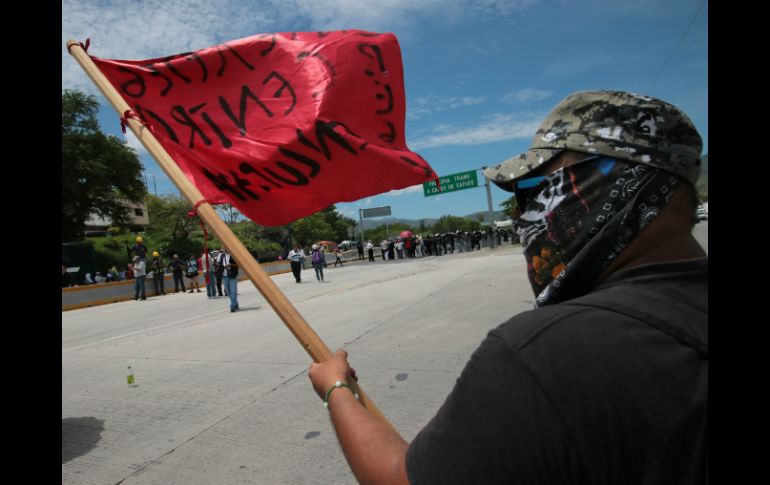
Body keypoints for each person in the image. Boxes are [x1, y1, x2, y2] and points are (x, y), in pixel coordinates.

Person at [307, 90, 707, 484]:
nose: (522, 213)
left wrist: (337, 389)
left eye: (534, 188)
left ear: (619, 182)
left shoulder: (549, 351)